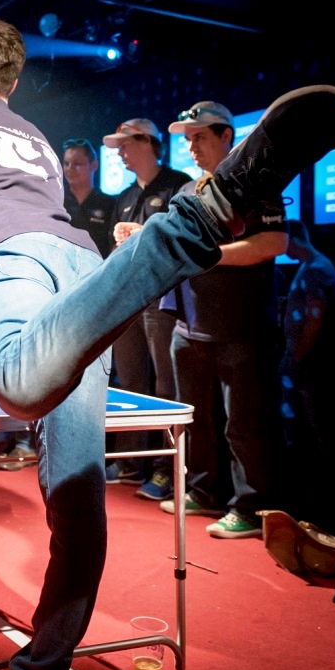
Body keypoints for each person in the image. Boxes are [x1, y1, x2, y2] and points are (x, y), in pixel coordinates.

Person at [0, 17, 335, 670]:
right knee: (78, 501)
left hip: (5, 260)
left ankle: (188, 225)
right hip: (81, 267)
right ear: (13, 84)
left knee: (18, 385)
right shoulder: (34, 138)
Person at [158, 100, 289, 539]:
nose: (192, 146)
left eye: (200, 137)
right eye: (188, 139)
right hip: (189, 326)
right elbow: (175, 244)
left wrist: (209, 255)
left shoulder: (258, 183)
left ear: (227, 136)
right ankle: (203, 491)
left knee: (244, 424)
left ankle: (252, 507)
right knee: (196, 419)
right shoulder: (187, 189)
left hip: (241, 329)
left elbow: (273, 243)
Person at [101, 118, 192, 500]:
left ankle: (166, 469)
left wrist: (145, 234)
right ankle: (129, 463)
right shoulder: (124, 196)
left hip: (165, 298)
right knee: (131, 382)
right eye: (118, 146)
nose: (120, 153)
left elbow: (186, 240)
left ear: (148, 143)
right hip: (129, 299)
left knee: (165, 385)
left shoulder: (178, 185)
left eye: (126, 144)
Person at [279, 218, 335, 523]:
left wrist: (297, 358)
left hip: (312, 364)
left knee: (318, 426)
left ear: (292, 239)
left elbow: (315, 319)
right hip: (306, 362)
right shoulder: (310, 267)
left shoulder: (317, 269)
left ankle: (324, 492)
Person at [61, 137, 116, 258]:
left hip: (99, 268)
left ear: (94, 165)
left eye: (77, 163)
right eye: (66, 163)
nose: (70, 168)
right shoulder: (56, 201)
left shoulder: (110, 204)